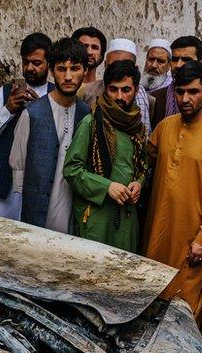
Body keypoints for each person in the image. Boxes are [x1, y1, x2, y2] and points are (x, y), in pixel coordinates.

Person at [143, 61, 202, 321]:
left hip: (191, 237)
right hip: (157, 230)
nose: (185, 98)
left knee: (185, 302)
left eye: (193, 92)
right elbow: (146, 166)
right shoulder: (164, 127)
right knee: (153, 290)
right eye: (180, 92)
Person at [63, 61, 148, 252]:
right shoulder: (91, 123)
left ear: (135, 90)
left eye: (126, 90)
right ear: (105, 90)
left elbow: (143, 167)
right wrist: (107, 186)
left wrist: (139, 184)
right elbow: (71, 170)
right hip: (96, 216)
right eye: (113, 89)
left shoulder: (138, 128)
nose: (119, 96)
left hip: (127, 218)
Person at [9, 38, 91, 232]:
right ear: (52, 71)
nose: (68, 77)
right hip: (38, 204)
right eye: (62, 69)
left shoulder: (86, 113)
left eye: (75, 68)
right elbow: (18, 159)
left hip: (73, 203)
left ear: (85, 71)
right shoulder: (33, 112)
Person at [0, 33, 53, 219]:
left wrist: (41, 112)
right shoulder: (5, 93)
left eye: (36, 63)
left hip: (37, 188)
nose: (30, 68)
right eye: (26, 62)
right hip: (3, 187)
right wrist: (8, 109)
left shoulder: (56, 96)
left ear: (49, 64)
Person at [78, 38, 155, 134]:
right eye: (113, 65)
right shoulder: (86, 92)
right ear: (105, 65)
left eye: (126, 90)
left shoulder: (149, 101)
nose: (119, 70)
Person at [149, 36, 202, 129]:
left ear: (201, 63)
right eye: (175, 59)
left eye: (186, 60)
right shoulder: (155, 99)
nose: (178, 65)